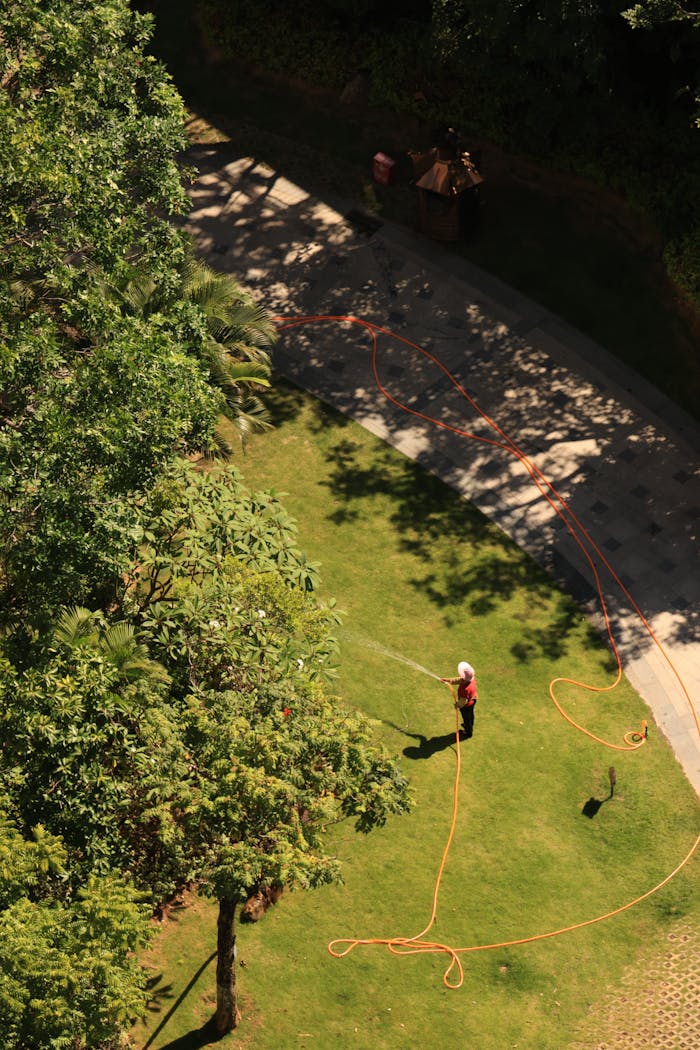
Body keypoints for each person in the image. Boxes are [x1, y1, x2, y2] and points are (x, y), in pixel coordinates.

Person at [440, 661, 478, 738]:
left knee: (467, 717)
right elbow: (458, 680)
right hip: (473, 699)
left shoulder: (466, 689)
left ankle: (468, 732)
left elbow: (463, 701)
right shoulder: (470, 680)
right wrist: (447, 680)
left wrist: (458, 705)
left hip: (466, 705)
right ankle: (469, 724)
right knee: (470, 715)